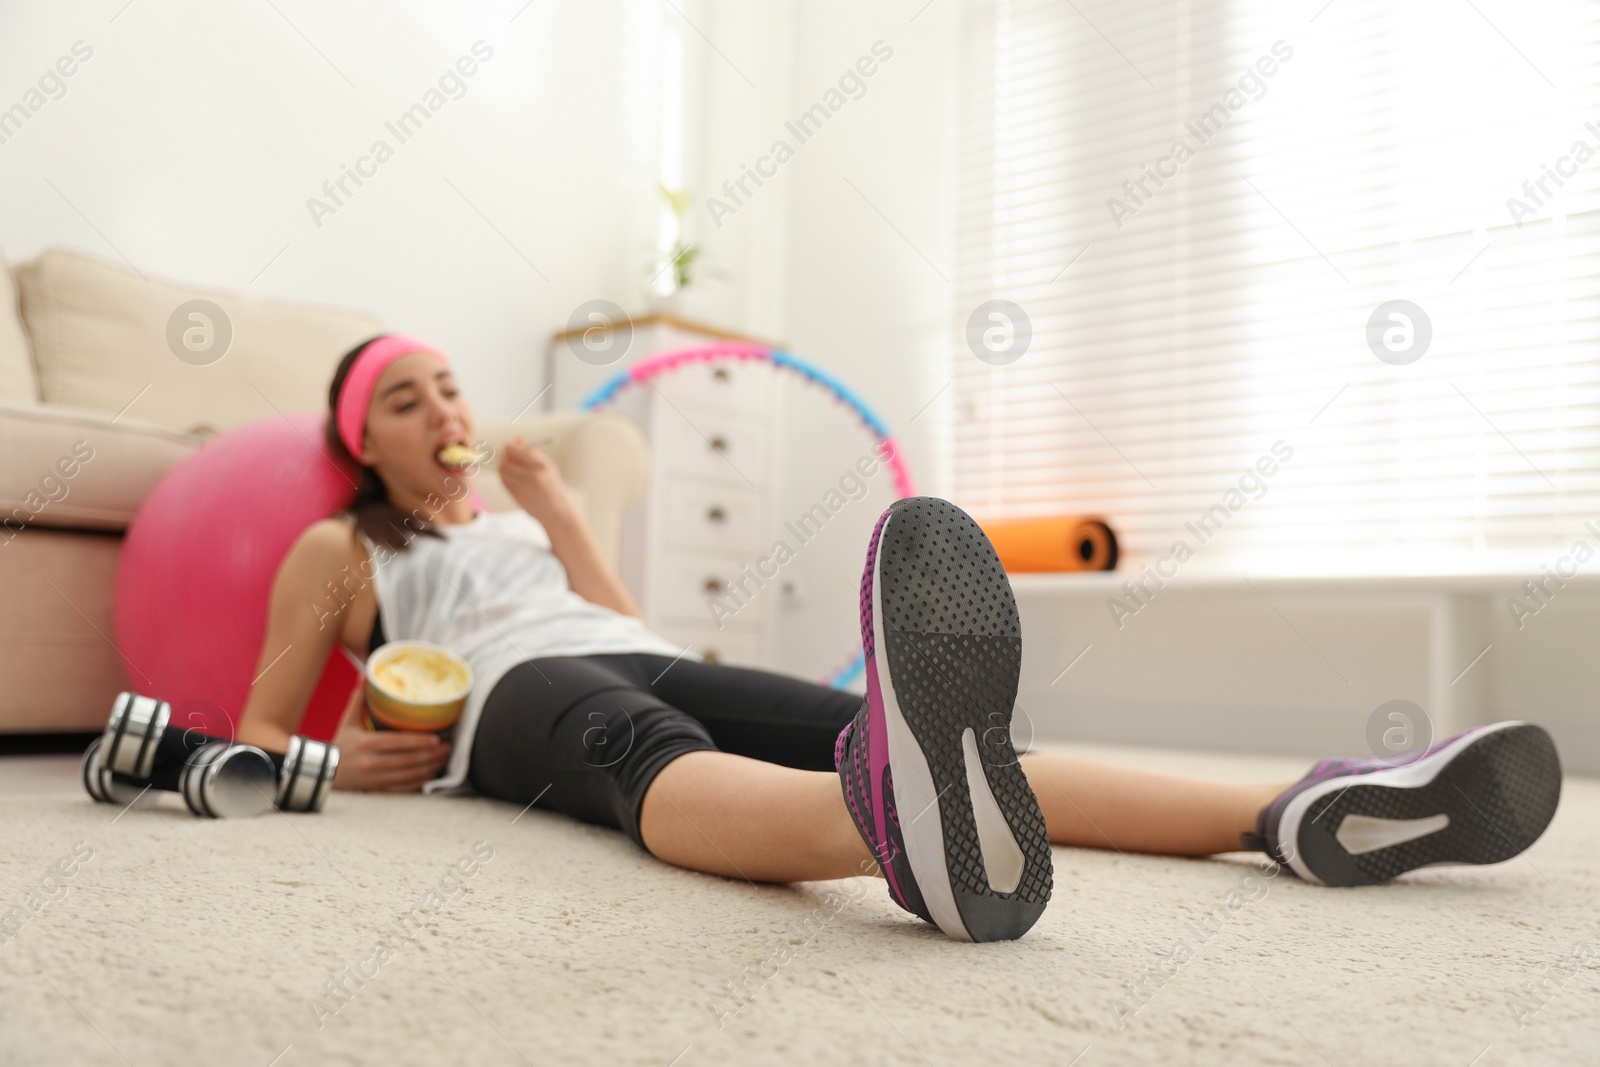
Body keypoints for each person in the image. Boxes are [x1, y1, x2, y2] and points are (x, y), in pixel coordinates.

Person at [236, 335, 1564, 942]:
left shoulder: (528, 521)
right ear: (363, 439)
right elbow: (256, 722)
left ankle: (1294, 805)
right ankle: (890, 820)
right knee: (641, 749)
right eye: (403, 403)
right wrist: (339, 767)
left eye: (447, 385)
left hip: (616, 638)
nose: (439, 411)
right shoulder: (343, 551)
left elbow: (622, 620)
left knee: (912, 736)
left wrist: (557, 509)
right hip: (508, 693)